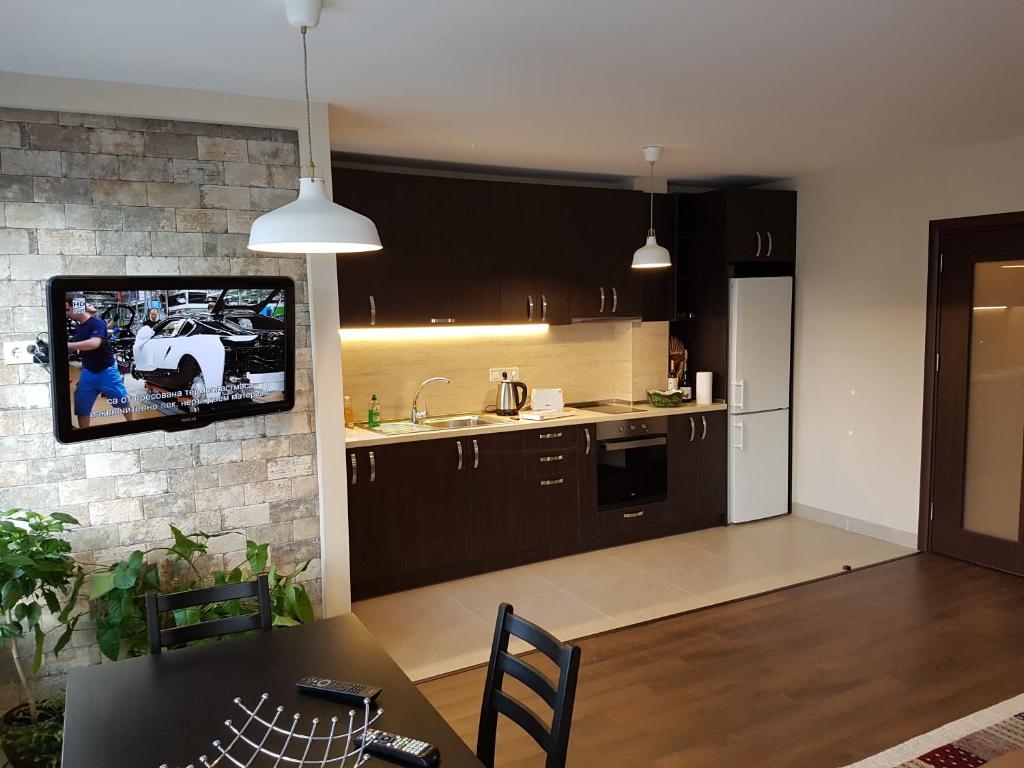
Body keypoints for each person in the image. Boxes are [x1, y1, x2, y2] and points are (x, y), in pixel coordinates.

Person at [66, 300, 135, 429]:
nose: (67, 314)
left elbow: (94, 343)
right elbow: (77, 346)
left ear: (78, 308)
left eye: (68, 310)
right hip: (88, 372)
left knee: (121, 399)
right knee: (81, 403)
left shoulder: (98, 323)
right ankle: (83, 435)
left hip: (106, 371)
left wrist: (69, 345)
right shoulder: (79, 327)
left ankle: (132, 425)